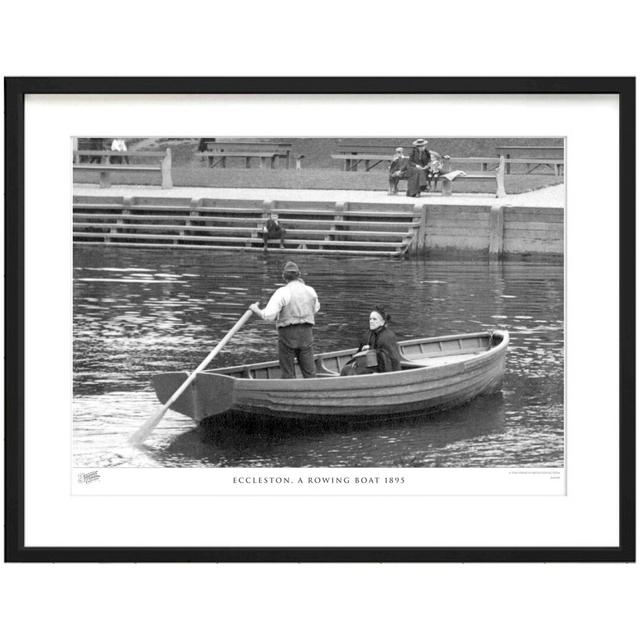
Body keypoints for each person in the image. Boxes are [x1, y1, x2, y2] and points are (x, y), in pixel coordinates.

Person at [250, 261, 320, 379]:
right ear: (299, 275)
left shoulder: (282, 292)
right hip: (306, 334)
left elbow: (268, 316)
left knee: (288, 371)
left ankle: (290, 389)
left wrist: (255, 309)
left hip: (288, 334)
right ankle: (313, 390)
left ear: (284, 276)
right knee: (310, 371)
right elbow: (316, 308)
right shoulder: (310, 290)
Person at [340, 307, 402, 375]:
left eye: (374, 319)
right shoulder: (368, 334)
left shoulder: (388, 336)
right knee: (346, 369)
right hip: (369, 366)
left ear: (382, 322)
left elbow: (390, 359)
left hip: (382, 369)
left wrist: (371, 350)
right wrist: (361, 353)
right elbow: (359, 354)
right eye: (370, 319)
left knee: (354, 373)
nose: (371, 321)